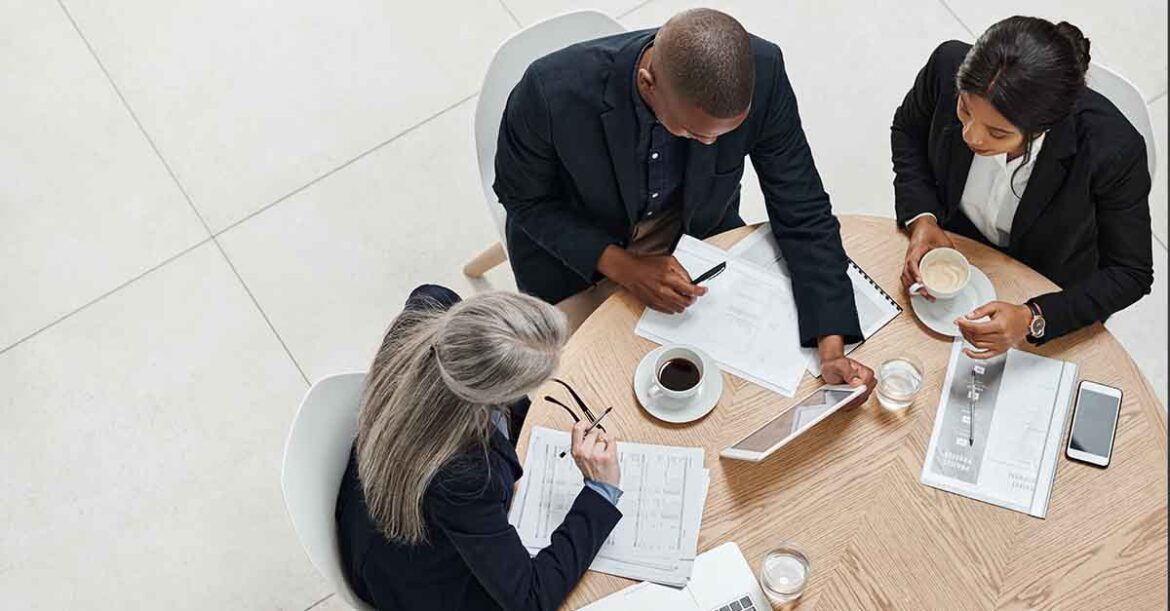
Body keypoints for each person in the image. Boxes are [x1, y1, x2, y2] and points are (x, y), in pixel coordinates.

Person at [494, 8, 875, 392]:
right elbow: (523, 199)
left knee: (737, 389)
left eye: (726, 133)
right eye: (695, 132)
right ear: (648, 83)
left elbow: (801, 204)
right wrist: (625, 268)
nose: (713, 143)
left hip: (696, 235)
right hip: (576, 255)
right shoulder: (548, 92)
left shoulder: (766, 70)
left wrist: (830, 343)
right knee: (589, 387)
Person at [335, 285, 623, 610]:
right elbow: (530, 599)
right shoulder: (468, 477)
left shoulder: (432, 306)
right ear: (490, 395)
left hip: (385, 491)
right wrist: (601, 490)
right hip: (411, 577)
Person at [891, 17, 1153, 357]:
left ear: (1046, 126)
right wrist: (922, 217)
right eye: (964, 110)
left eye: (997, 133)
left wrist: (1035, 318)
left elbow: (1130, 272)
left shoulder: (1114, 150)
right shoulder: (946, 65)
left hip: (1044, 276)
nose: (971, 135)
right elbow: (907, 131)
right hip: (956, 243)